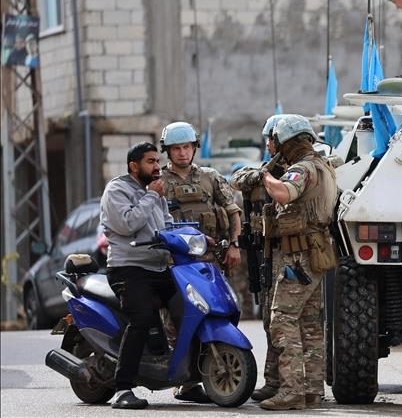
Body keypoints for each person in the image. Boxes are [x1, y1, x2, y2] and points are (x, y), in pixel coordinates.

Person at [245, 114, 338, 410]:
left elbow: (284, 193)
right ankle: (311, 390)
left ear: (285, 140)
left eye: (272, 140)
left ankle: (292, 391)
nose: (270, 146)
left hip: (298, 256)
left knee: (282, 319)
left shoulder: (302, 169)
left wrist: (266, 176)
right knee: (309, 323)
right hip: (315, 251)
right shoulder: (323, 165)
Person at [158, 121, 243, 403]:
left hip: (211, 262)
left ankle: (214, 372)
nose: (182, 153)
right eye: (176, 148)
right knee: (176, 322)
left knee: (219, 314)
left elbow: (233, 212)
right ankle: (185, 380)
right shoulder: (159, 182)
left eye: (186, 147)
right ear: (167, 151)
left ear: (194, 148)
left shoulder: (211, 177)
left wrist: (233, 245)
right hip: (174, 265)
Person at [101, 142, 174, 409]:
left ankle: (188, 380)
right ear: (134, 166)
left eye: (157, 161)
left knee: (190, 305)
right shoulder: (117, 190)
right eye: (151, 162)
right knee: (141, 317)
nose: (157, 167)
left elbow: (166, 225)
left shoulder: (155, 192)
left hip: (157, 267)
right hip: (128, 268)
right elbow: (127, 223)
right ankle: (123, 389)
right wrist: (152, 196)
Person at [229, 114, 289, 403]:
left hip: (288, 254)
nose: (267, 144)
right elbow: (238, 178)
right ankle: (274, 381)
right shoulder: (265, 171)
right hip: (262, 255)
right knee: (270, 321)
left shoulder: (295, 172)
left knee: (287, 323)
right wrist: (260, 175)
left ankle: (295, 385)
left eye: (271, 140)